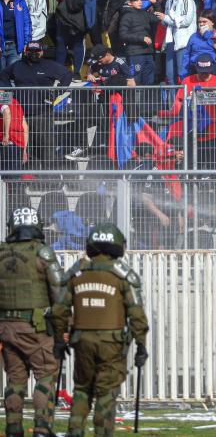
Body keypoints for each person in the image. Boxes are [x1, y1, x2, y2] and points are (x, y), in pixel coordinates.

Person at [51, 223, 149, 437]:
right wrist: (141, 344)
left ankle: (74, 431)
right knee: (106, 393)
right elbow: (137, 314)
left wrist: (60, 339)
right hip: (111, 344)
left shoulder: (78, 271)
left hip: (82, 342)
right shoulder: (123, 275)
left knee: (82, 390)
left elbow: (59, 310)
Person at [0, 208, 63, 437]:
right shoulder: (43, 253)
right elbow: (59, 294)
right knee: (45, 376)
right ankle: (41, 428)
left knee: (15, 379)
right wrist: (63, 328)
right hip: (36, 328)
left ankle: (13, 429)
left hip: (6, 328)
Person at [48, 0, 97, 77]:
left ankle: (76, 73)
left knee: (78, 42)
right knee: (60, 40)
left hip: (79, 10)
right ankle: (59, 72)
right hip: (65, 9)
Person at [157, 0, 197, 84]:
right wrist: (163, 19)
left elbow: (185, 21)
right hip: (171, 41)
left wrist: (165, 18)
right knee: (169, 76)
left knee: (182, 74)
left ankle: (184, 101)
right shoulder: (170, 0)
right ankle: (172, 102)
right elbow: (167, 22)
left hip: (183, 42)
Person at [118, 0, 160, 86]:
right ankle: (135, 102)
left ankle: (148, 101)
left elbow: (157, 18)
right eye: (136, 0)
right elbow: (122, 35)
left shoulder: (143, 13)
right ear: (129, 2)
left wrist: (155, 3)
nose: (140, 1)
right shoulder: (125, 16)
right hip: (135, 54)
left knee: (149, 82)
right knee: (136, 82)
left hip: (148, 52)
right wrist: (141, 38)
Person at [0, 0, 31, 70]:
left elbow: (26, 23)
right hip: (1, 46)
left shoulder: (20, 1)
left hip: (15, 46)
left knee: (13, 75)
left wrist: (26, 42)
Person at [180, 10, 216, 79]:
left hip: (211, 70)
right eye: (199, 22)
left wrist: (206, 34)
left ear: (212, 22)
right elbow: (186, 55)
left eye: (204, 22)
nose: (201, 24)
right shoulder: (194, 36)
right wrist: (183, 74)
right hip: (194, 69)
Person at [0, 95, 29, 170]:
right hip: (19, 144)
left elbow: (7, 112)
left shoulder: (1, 98)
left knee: (6, 176)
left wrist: (6, 135)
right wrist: (24, 150)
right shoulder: (15, 101)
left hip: (7, 142)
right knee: (14, 177)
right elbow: (25, 127)